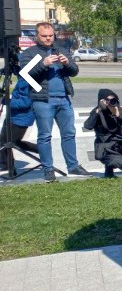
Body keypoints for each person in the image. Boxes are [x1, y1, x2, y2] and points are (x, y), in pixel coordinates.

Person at [19, 22, 89, 183]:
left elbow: (74, 71)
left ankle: (73, 166)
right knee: (44, 136)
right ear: (37, 36)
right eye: (44, 36)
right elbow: (25, 75)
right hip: (43, 100)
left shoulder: (61, 50)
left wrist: (67, 63)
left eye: (50, 35)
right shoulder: (30, 53)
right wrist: (43, 64)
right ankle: (48, 170)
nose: (48, 38)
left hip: (63, 99)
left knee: (69, 134)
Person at [0, 77, 39, 172]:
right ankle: (6, 165)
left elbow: (25, 103)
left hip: (22, 118)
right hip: (13, 115)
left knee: (8, 143)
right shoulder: (23, 77)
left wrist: (4, 101)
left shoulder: (31, 81)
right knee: (8, 141)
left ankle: (8, 166)